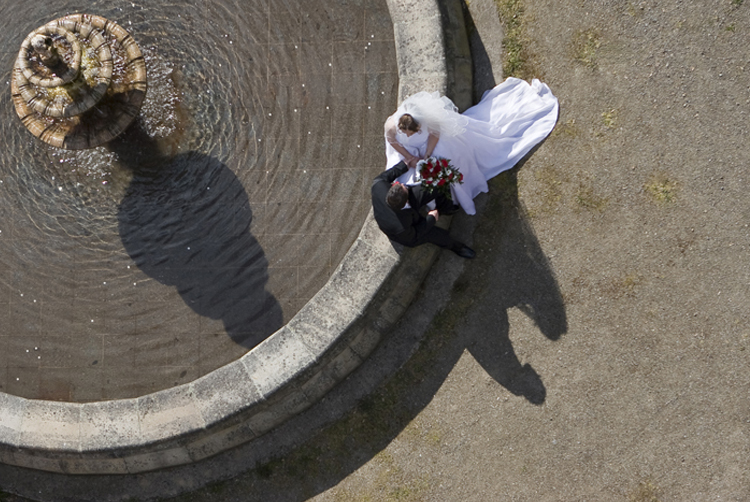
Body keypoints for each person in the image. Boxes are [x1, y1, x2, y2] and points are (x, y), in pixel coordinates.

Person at [384, 77, 559, 215]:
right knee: (407, 175)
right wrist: (410, 158)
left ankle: (461, 186)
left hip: (431, 144)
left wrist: (428, 154)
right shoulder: (391, 127)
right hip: (410, 152)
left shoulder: (425, 120)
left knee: (450, 155)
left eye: (412, 132)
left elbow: (435, 134)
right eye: (407, 133)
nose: (409, 135)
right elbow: (394, 143)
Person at [371, 160, 475, 259]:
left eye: (401, 185)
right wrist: (431, 219)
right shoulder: (400, 227)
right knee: (437, 235)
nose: (403, 184)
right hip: (410, 231)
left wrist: (404, 164)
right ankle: (457, 247)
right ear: (406, 201)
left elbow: (386, 176)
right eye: (404, 187)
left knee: (436, 186)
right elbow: (415, 235)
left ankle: (445, 208)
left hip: (402, 204)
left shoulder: (378, 185)